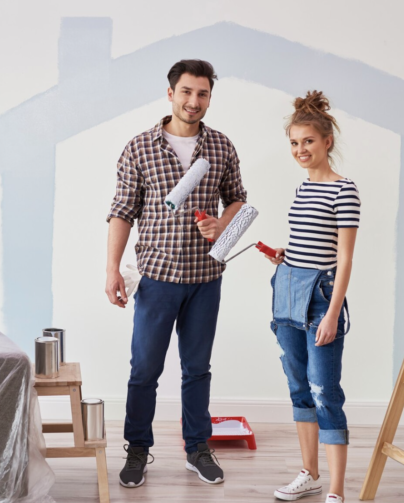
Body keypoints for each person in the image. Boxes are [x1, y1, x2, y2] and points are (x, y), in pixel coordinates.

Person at [105, 59, 247, 488]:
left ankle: (197, 448)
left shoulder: (221, 147)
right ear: (171, 94)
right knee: (144, 369)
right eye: (187, 92)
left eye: (202, 94)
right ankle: (137, 448)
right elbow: (122, 211)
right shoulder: (140, 147)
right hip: (157, 278)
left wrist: (223, 224)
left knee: (197, 368)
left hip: (206, 278)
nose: (194, 101)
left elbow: (239, 201)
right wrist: (112, 269)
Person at [265, 91, 360, 502]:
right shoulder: (303, 190)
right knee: (299, 388)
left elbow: (344, 259)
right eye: (294, 143)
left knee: (325, 391)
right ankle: (309, 473)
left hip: (322, 299)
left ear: (327, 143)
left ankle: (336, 492)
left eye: (307, 141)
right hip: (288, 289)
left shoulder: (345, 191)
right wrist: (287, 256)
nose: (300, 150)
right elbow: (310, 243)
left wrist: (332, 314)